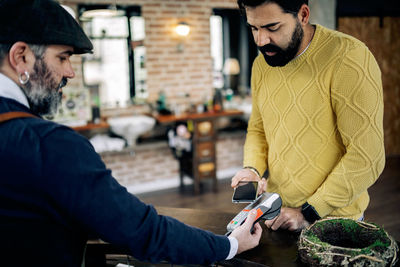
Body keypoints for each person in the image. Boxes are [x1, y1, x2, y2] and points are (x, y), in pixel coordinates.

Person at [0, 0, 262, 266]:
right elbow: (142, 231)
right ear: (21, 56)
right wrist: (230, 244)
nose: (70, 72)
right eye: (63, 57)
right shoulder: (50, 145)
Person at [231, 0, 385, 232]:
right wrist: (252, 169)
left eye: (272, 27)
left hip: (333, 222)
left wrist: (308, 212)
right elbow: (258, 130)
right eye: (254, 28)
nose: (261, 41)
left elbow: (367, 157)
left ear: (303, 14)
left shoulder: (349, 57)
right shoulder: (261, 65)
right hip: (279, 214)